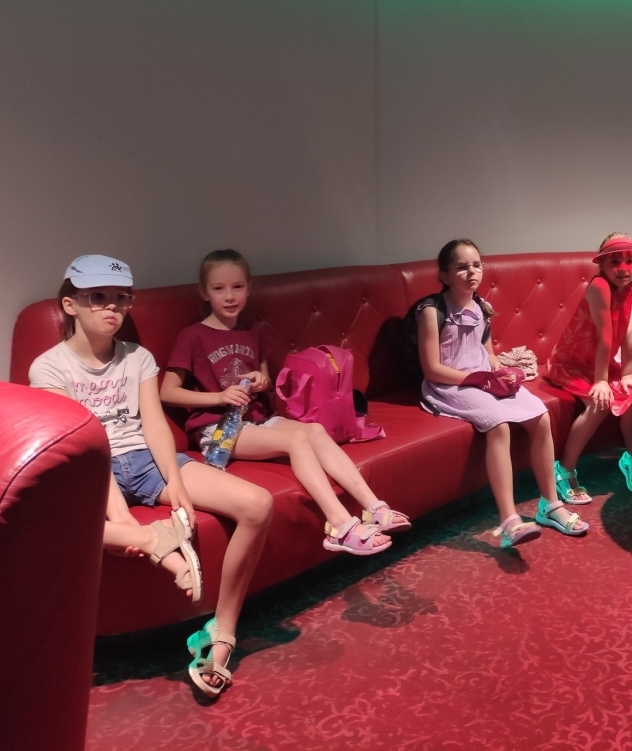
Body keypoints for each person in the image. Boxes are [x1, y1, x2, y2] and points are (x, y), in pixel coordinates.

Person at [30, 255, 272, 699]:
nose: (111, 307)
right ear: (70, 304)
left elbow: (155, 423)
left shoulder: (137, 356)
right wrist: (121, 516)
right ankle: (148, 540)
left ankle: (221, 632)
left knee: (259, 504)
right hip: (91, 466)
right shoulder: (48, 368)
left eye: (121, 298)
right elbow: (82, 442)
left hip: (143, 459)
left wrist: (174, 482)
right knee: (47, 523)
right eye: (97, 297)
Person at [160, 250, 409, 557]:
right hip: (218, 430)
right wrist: (219, 397)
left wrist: (260, 380)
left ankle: (373, 507)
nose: (229, 296)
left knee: (315, 430)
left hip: (258, 419)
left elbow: (264, 379)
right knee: (296, 441)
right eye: (219, 288)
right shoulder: (193, 336)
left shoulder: (253, 331)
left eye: (237, 287)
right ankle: (340, 525)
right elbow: (168, 392)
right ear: (204, 292)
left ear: (249, 288)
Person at [416, 239, 588, 547]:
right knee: (499, 425)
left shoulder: (481, 307)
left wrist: (502, 372)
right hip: (450, 385)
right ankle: (509, 520)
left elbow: (488, 355)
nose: (472, 272)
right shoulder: (432, 311)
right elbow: (432, 369)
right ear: (444, 275)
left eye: (476, 265)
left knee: (541, 415)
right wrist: (479, 379)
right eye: (461, 267)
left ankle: (550, 505)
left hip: (484, 379)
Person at [546, 232, 632, 500]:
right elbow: (605, 337)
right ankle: (564, 468)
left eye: (629, 261)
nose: (623, 268)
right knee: (600, 403)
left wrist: (627, 373)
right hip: (571, 362)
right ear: (601, 265)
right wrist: (601, 381)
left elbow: (631, 330)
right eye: (614, 262)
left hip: (600, 363)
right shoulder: (599, 286)